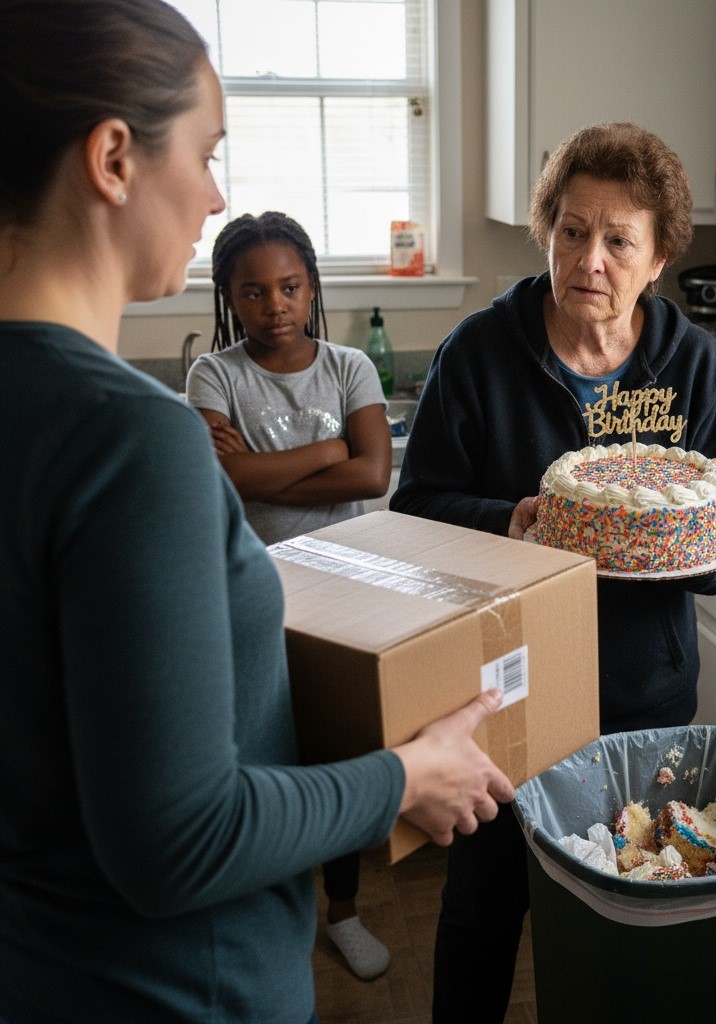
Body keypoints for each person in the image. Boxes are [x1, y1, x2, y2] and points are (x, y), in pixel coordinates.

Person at [0, 3, 514, 1023]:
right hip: (173, 989)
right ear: (112, 157)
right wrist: (406, 774)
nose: (213, 194)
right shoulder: (129, 439)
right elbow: (177, 840)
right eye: (204, 150)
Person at [390, 122, 716, 1023]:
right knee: (483, 912)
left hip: (645, 698)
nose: (590, 259)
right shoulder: (479, 355)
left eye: (618, 239)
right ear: (547, 231)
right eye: (571, 230)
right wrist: (510, 522)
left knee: (621, 913)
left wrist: (676, 550)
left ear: (659, 256)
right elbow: (416, 511)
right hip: (504, 696)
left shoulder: (697, 369)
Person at [186, 210, 393, 980]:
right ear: (229, 298)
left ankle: (342, 910)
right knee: (268, 756)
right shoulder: (214, 375)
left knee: (338, 750)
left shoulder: (349, 368)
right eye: (253, 291)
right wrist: (330, 448)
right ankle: (267, 911)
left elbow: (372, 476)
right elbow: (224, 482)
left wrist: (276, 468)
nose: (274, 305)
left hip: (348, 590)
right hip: (253, 595)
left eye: (290, 286)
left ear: (311, 287)